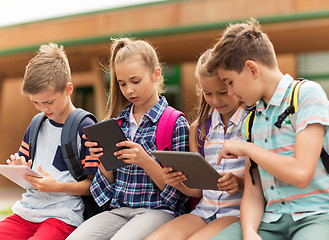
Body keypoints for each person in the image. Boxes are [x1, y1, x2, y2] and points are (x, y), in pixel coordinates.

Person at [207, 18, 329, 240]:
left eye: (230, 82)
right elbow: (254, 192)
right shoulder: (251, 119)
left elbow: (301, 173)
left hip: (319, 215)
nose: (230, 91)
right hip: (270, 220)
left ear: (252, 69)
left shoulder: (306, 94)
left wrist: (247, 148)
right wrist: (250, 233)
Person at [66, 38, 189, 240]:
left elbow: (180, 196)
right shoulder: (117, 124)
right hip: (119, 211)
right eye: (122, 84)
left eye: (135, 81)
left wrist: (145, 161)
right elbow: (103, 194)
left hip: (159, 211)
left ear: (156, 75)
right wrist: (104, 161)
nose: (129, 90)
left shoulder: (175, 123)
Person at [0, 43, 100, 240]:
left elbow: (94, 186)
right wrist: (21, 170)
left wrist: (58, 186)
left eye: (48, 102)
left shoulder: (85, 126)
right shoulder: (37, 124)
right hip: (27, 211)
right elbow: (31, 181)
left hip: (63, 216)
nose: (42, 108)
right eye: (36, 102)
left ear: (68, 89)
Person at [146, 49, 248, 240]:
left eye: (223, 92)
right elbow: (198, 190)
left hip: (236, 213)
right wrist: (178, 182)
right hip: (204, 210)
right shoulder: (200, 129)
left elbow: (261, 182)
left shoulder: (252, 123)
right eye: (208, 93)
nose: (215, 101)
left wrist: (239, 183)